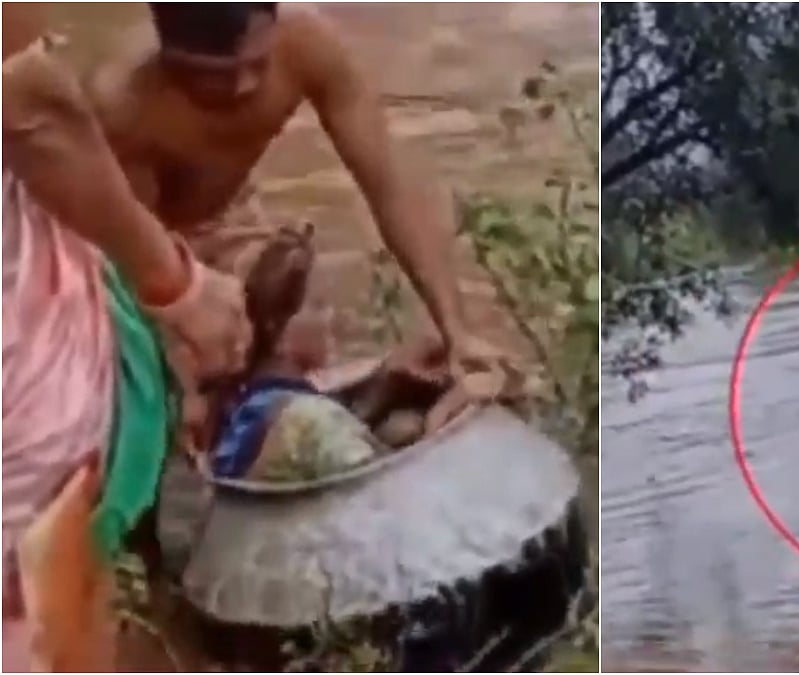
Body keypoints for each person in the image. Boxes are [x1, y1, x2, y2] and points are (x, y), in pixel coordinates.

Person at [84, 3, 502, 405]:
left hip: (229, 213)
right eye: (215, 76)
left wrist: (457, 331)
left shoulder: (305, 43)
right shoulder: (125, 107)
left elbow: (390, 185)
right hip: (147, 245)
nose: (244, 86)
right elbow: (129, 264)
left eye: (257, 63)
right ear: (168, 59)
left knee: (298, 314)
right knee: (181, 388)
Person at [2, 5, 253, 671]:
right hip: (22, 413)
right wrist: (177, 283)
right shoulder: (123, 99)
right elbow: (27, 106)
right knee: (42, 601)